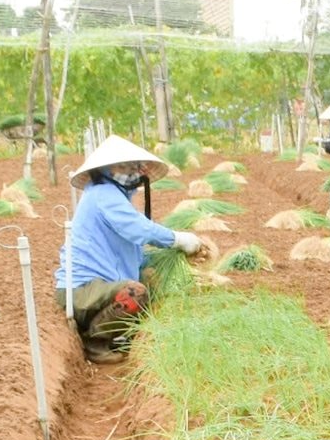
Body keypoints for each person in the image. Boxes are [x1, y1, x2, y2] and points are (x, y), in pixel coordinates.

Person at [53, 136, 212, 365]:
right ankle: (94, 343)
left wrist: (170, 258)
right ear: (103, 170)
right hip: (81, 290)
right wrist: (178, 240)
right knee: (134, 293)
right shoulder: (103, 193)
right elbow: (140, 229)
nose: (129, 171)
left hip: (97, 290)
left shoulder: (116, 198)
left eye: (132, 166)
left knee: (149, 281)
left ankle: (122, 334)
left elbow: (136, 255)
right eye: (121, 166)